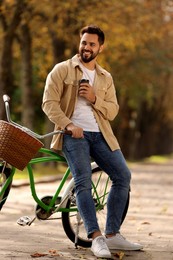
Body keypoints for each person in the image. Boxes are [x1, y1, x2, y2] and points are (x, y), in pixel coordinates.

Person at [42, 25, 143, 258]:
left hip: (101, 135)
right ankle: (95, 237)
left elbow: (113, 110)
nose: (86, 47)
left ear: (100, 47)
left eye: (92, 44)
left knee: (123, 176)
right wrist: (68, 124)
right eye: (84, 43)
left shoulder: (105, 78)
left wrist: (94, 98)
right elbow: (49, 103)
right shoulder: (62, 70)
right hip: (73, 135)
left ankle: (112, 234)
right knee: (83, 182)